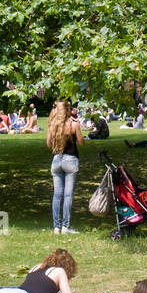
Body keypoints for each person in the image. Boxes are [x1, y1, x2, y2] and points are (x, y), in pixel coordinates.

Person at [47, 99, 84, 234]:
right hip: (71, 160)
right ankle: (65, 226)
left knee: (57, 195)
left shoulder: (53, 125)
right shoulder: (73, 124)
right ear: (68, 110)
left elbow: (48, 144)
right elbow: (81, 142)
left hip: (56, 160)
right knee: (68, 195)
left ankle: (56, 227)